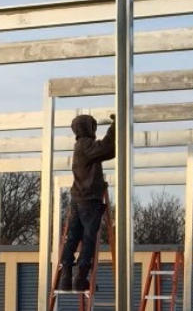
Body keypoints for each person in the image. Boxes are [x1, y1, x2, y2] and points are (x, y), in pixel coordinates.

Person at [59, 114, 116, 291]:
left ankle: (66, 277)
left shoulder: (79, 146)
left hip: (77, 199)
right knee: (89, 238)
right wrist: (116, 125)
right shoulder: (85, 145)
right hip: (88, 199)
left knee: (73, 238)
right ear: (87, 128)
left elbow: (108, 152)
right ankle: (81, 277)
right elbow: (107, 148)